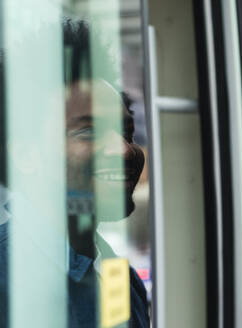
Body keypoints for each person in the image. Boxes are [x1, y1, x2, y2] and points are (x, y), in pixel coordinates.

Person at [0, 19, 149, 327]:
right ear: (25, 155)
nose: (122, 149)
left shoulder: (116, 273)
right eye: (88, 132)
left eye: (125, 132)